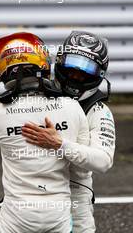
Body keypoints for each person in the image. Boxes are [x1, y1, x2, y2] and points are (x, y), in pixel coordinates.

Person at [0, 32, 90, 233]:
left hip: (16, 215)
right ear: (43, 64)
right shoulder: (72, 107)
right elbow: (84, 163)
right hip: (59, 213)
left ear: (3, 71)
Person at [22, 31, 116, 233]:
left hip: (75, 194)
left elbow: (103, 161)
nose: (76, 75)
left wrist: (60, 145)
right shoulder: (36, 96)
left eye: (86, 70)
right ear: (60, 62)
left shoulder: (99, 111)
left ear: (99, 73)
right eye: (72, 66)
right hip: (29, 190)